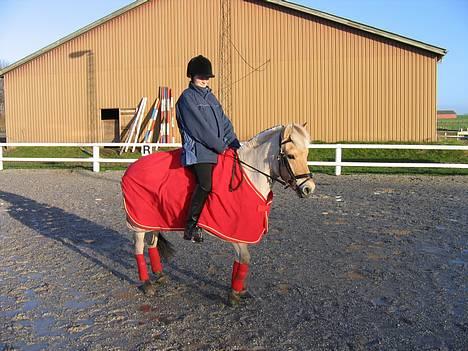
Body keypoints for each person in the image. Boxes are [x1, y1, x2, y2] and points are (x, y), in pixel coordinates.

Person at [176, 55, 241, 243]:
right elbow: (199, 128)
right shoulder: (187, 98)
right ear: (192, 76)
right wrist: (221, 146)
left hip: (215, 149)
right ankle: (191, 226)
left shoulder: (211, 97)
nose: (204, 80)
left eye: (206, 77)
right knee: (206, 184)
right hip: (198, 151)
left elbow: (224, 121)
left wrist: (234, 141)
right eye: (200, 76)